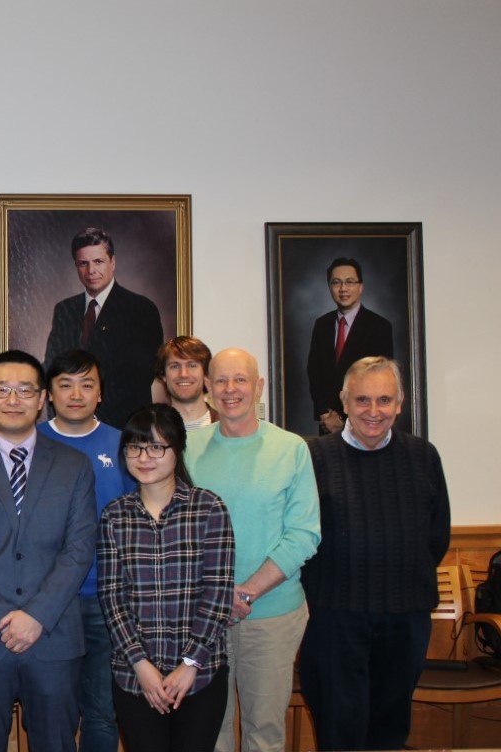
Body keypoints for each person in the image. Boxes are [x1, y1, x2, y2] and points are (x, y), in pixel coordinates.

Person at [0, 350, 97, 752]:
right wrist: (3, 621)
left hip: (54, 636)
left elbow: (79, 550)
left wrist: (37, 616)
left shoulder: (74, 466)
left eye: (25, 390)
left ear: (41, 398)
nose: (13, 400)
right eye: (1, 390)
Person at [299, 356, 451, 750]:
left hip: (406, 614)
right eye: (362, 400)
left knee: (390, 728)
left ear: (400, 403)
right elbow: (299, 535)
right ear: (344, 402)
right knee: (338, 728)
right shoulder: (314, 457)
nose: (373, 411)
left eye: (384, 400)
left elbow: (436, 536)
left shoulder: (424, 456)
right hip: (334, 617)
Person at [186, 348, 321, 752]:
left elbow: (303, 535)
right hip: (203, 617)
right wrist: (217, 596)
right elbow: (177, 533)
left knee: (264, 732)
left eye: (240, 379)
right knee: (209, 732)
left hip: (272, 616)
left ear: (258, 386)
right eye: (221, 380)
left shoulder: (291, 448)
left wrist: (245, 593)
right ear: (207, 388)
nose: (230, 389)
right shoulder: (187, 449)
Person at [98, 404, 235, 752]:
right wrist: (141, 664)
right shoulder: (115, 516)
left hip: (200, 675)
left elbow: (218, 594)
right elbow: (112, 598)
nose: (144, 457)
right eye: (135, 447)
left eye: (156, 447)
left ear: (178, 449)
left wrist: (190, 663)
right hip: (135, 677)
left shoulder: (209, 508)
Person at [36, 350, 133, 752]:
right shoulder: (31, 442)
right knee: (51, 711)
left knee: (101, 712)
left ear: (100, 393)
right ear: (48, 394)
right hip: (47, 601)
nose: (76, 394)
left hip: (107, 599)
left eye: (86, 384)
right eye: (65, 385)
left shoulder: (124, 444)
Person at [44, 228, 164, 429]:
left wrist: (90, 411)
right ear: (76, 266)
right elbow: (51, 366)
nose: (91, 271)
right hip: (70, 424)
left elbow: (142, 376)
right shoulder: (64, 309)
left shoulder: (140, 309)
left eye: (98, 261)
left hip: (123, 427)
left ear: (112, 262)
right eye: (83, 263)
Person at [305, 258, 395, 434]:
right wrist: (325, 415)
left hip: (365, 426)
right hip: (328, 427)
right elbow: (314, 373)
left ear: (361, 287)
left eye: (350, 282)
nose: (343, 288)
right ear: (329, 287)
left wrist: (346, 423)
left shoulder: (379, 326)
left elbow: (380, 382)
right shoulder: (322, 325)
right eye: (336, 282)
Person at [154, 336, 219, 431]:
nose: (183, 374)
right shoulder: (148, 430)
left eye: (192, 365)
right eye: (175, 366)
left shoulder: (230, 427)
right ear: (163, 374)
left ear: (205, 373)